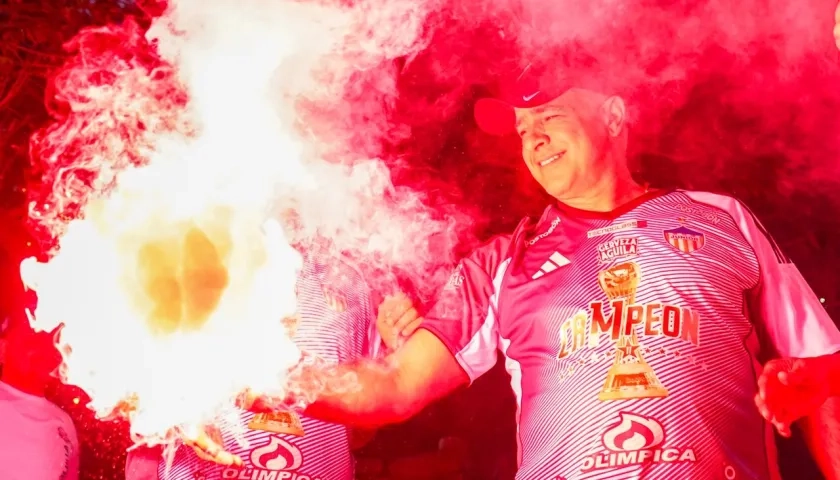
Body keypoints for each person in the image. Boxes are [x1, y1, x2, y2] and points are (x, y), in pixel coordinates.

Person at [194, 56, 840, 479]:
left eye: (550, 116)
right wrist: (253, 378)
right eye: (522, 127)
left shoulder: (722, 218)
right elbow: (390, 390)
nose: (531, 138)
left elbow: (826, 374)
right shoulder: (502, 262)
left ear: (613, 115)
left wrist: (815, 385)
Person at [125, 243, 386, 480]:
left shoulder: (347, 282)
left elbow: (358, 433)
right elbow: (121, 395)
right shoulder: (174, 255)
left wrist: (393, 364)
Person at [0, 314, 80, 480]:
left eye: (44, 342)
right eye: (29, 340)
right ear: (2, 349)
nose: (39, 349)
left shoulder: (64, 422)